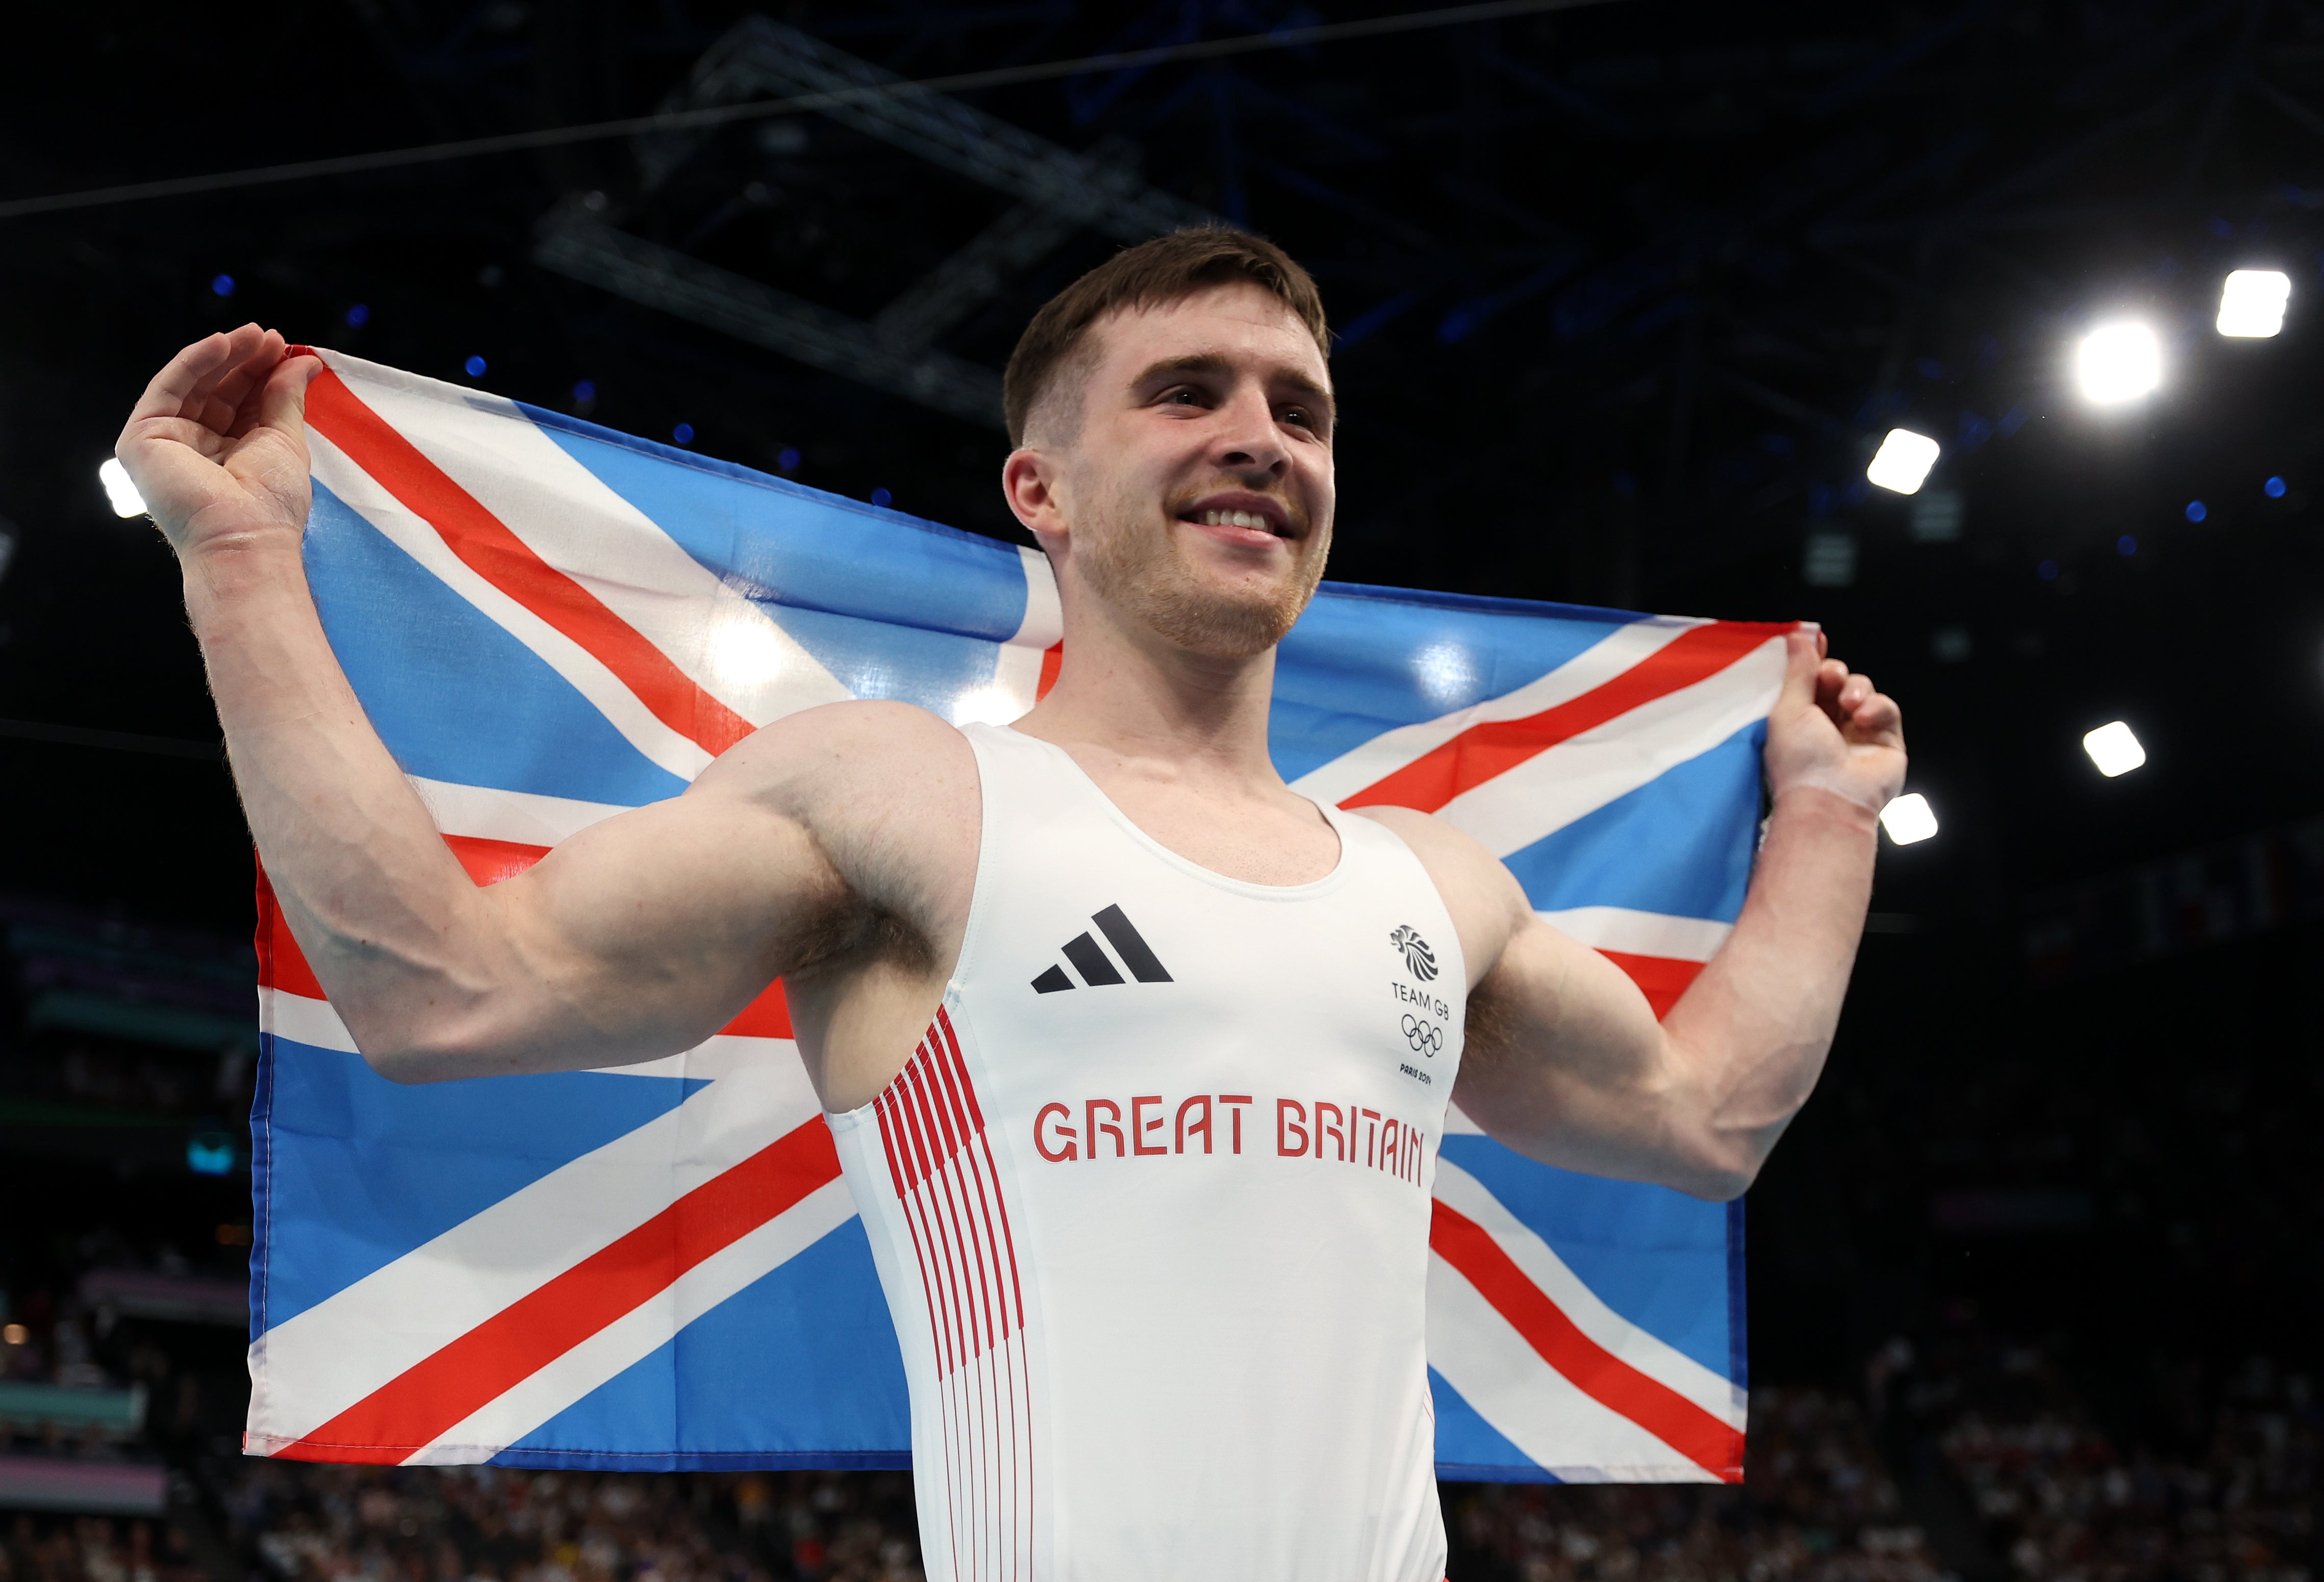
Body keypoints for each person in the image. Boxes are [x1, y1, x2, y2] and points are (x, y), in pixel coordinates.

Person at [116, 227, 1904, 1582]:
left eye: (1301, 408)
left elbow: (1705, 1119)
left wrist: (1823, 819)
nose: (1260, 436)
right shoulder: (907, 798)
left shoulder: (1432, 886)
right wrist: (248, 564)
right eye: (1186, 391)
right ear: (1036, 489)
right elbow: (443, 990)